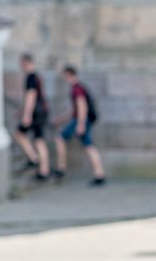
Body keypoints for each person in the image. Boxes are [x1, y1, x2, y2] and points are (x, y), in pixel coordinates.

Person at [54, 65, 107, 186]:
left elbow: (82, 106)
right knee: (89, 146)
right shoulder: (79, 87)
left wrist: (80, 124)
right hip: (82, 119)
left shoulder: (77, 89)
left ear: (69, 74)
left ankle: (61, 168)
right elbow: (75, 109)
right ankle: (99, 174)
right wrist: (60, 119)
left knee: (60, 138)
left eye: (64, 75)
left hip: (80, 120)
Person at [12, 53, 50, 181]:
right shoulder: (36, 76)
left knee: (19, 133)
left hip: (35, 113)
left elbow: (31, 96)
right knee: (39, 140)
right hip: (41, 111)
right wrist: (22, 110)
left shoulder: (31, 77)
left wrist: (26, 114)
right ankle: (43, 170)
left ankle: (34, 158)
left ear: (26, 62)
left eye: (21, 63)